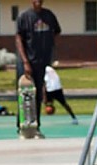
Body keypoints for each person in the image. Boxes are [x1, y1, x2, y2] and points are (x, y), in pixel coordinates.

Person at [15, 0, 62, 136]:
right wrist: (25, 62)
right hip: (27, 61)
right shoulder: (24, 17)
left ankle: (35, 127)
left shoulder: (48, 16)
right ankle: (22, 126)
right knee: (25, 95)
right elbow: (18, 38)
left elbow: (56, 32)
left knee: (38, 95)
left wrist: (49, 48)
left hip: (42, 61)